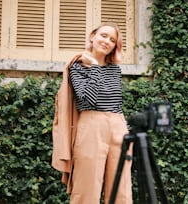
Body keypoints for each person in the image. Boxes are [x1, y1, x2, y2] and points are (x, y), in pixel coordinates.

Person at [52, 22, 132, 204]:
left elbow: (115, 102)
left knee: (122, 190)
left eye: (112, 40)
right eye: (104, 35)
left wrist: (124, 129)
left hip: (118, 126)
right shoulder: (77, 67)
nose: (107, 41)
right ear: (92, 36)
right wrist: (95, 65)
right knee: (86, 188)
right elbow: (88, 99)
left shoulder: (114, 70)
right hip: (91, 126)